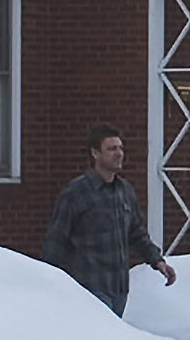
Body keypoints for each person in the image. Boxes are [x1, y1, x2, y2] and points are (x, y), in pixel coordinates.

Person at [42, 123, 177, 316]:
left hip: (119, 288)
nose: (119, 153)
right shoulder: (76, 193)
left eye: (121, 148)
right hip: (89, 286)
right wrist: (48, 279)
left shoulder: (124, 191)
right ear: (95, 153)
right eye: (112, 149)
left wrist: (158, 262)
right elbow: (56, 239)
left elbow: (137, 233)